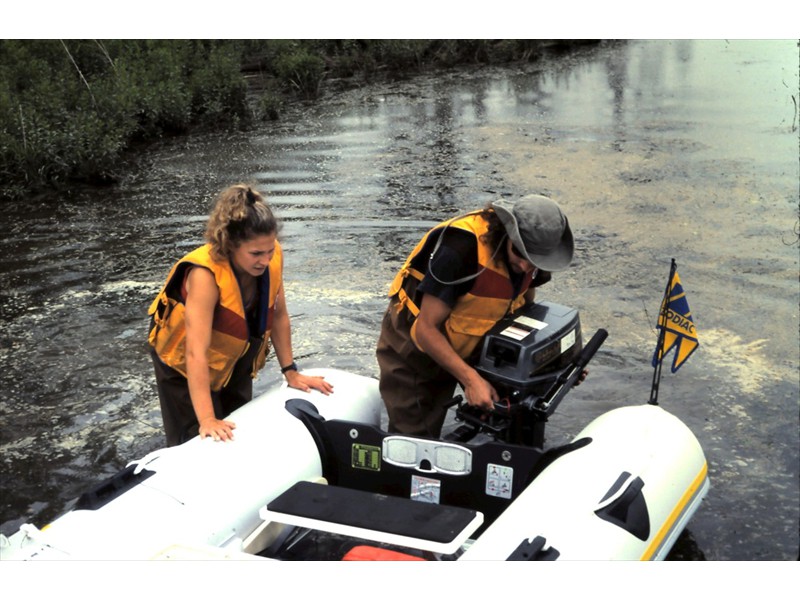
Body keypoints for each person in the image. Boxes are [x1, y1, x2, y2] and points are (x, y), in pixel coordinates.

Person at [376, 194, 575, 438]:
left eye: (534, 261)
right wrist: (471, 380)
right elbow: (425, 330)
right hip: (417, 346)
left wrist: (559, 362)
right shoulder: (459, 250)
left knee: (517, 413)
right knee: (416, 437)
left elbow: (524, 310)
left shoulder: (535, 257)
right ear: (507, 234)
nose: (526, 267)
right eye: (520, 255)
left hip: (477, 335)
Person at [148, 184, 333, 446]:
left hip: (233, 357)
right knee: (197, 436)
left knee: (238, 423)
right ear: (231, 245)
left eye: (269, 251)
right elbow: (195, 353)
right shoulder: (204, 276)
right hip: (183, 364)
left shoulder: (271, 255)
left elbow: (278, 315)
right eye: (256, 253)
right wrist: (208, 420)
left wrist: (290, 371)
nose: (265, 260)